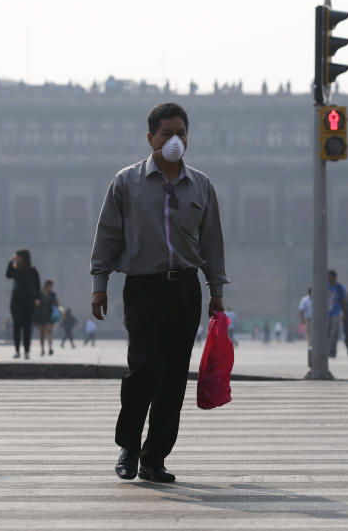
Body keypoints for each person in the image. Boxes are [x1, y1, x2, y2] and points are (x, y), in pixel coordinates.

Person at [91, 102, 227, 484]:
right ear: (150, 138)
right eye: (166, 133)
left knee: (172, 377)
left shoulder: (201, 185)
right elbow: (108, 235)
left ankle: (155, 458)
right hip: (143, 288)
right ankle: (129, 447)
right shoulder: (125, 182)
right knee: (143, 370)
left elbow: (213, 242)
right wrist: (99, 284)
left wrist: (216, 290)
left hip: (185, 289)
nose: (175, 139)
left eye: (181, 133)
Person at [6, 249, 41, 360]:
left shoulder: (32, 270)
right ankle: (17, 350)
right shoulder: (16, 269)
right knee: (16, 325)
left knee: (27, 326)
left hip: (29, 300)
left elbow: (37, 285)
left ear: (23, 257)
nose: (16, 258)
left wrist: (37, 298)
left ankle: (26, 351)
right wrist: (10, 262)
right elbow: (8, 275)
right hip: (16, 300)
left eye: (18, 256)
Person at [35, 280, 58, 356]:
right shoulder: (39, 293)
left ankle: (50, 348)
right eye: (50, 286)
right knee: (42, 333)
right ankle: (42, 349)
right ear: (46, 286)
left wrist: (56, 302)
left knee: (49, 331)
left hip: (50, 315)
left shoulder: (52, 294)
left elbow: (56, 304)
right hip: (41, 315)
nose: (51, 288)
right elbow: (36, 304)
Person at [326, 270, 346, 358]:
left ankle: (332, 351)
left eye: (329, 276)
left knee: (335, 333)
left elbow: (343, 301)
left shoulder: (339, 287)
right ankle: (325, 350)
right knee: (325, 333)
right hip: (325, 313)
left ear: (334, 277)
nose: (327, 278)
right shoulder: (324, 286)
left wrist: (344, 313)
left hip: (335, 313)